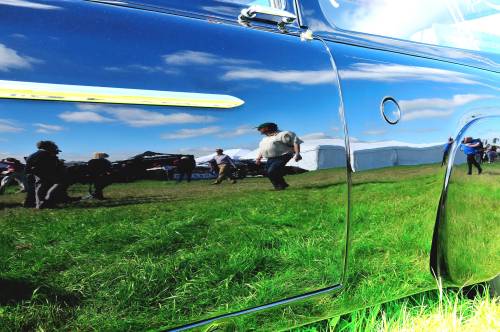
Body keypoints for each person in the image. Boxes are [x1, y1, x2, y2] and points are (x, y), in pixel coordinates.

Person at [255, 122, 302, 190]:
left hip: (283, 155)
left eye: (261, 129)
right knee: (267, 172)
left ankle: (280, 186)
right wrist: (258, 158)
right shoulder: (265, 139)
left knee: (272, 171)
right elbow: (262, 149)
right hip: (271, 158)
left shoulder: (283, 134)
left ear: (268, 128)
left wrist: (297, 153)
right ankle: (280, 185)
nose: (260, 131)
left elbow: (295, 142)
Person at [25, 140, 62, 209]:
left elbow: (28, 166)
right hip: (44, 173)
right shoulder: (47, 154)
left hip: (36, 173)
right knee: (58, 183)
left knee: (39, 187)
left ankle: (39, 203)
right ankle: (45, 201)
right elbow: (52, 165)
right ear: (47, 146)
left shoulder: (33, 154)